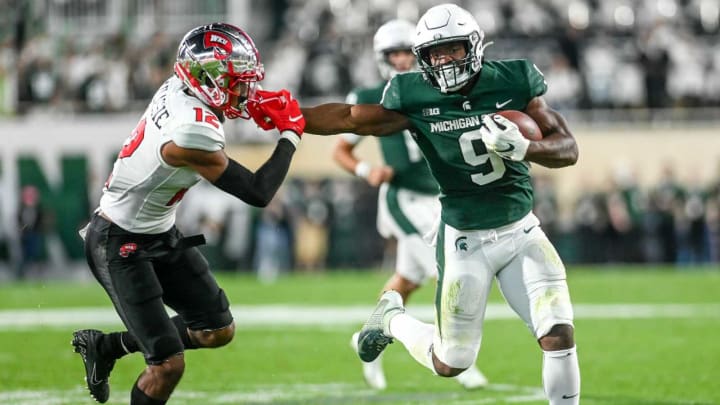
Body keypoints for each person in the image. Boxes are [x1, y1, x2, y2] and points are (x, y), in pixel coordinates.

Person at [254, 4, 580, 404]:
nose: (443, 61)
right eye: (434, 54)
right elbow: (351, 118)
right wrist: (288, 114)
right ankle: (391, 318)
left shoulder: (513, 80)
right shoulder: (415, 93)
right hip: (465, 237)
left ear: (474, 46)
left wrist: (527, 147)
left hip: (521, 230)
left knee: (558, 331)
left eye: (453, 50)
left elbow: (568, 149)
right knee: (451, 361)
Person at [71, 23, 305, 405]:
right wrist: (291, 135)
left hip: (158, 232)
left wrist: (252, 104)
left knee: (217, 329)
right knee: (167, 366)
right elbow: (257, 192)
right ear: (206, 79)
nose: (244, 90)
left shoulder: (183, 88)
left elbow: (217, 103)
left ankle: (107, 347)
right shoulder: (191, 131)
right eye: (236, 81)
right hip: (119, 242)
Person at [332, 19, 487, 391]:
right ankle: (455, 355)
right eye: (394, 53)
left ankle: (369, 340)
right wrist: (367, 169)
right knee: (449, 268)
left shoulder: (435, 90)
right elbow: (340, 150)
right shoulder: (369, 94)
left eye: (407, 52)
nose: (401, 60)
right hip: (403, 198)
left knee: (406, 282)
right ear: (382, 58)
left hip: (438, 197)